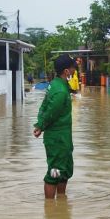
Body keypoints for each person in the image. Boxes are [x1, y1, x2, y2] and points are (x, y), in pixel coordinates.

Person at [33, 55, 76, 199]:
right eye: (72, 67)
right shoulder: (60, 91)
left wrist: (40, 124)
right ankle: (51, 207)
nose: (75, 69)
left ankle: (61, 201)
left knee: (64, 168)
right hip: (57, 138)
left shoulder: (57, 84)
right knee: (55, 170)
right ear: (66, 71)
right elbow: (51, 112)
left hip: (63, 137)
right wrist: (40, 125)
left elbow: (44, 106)